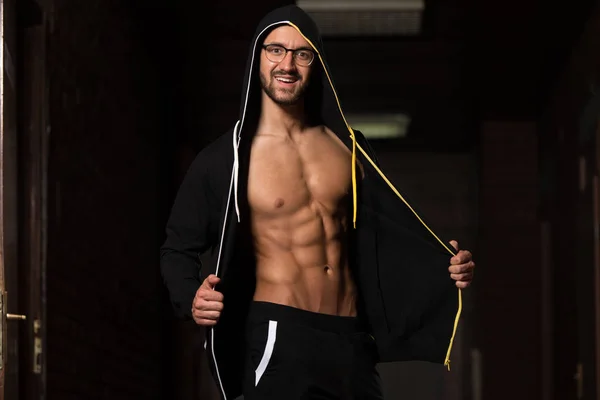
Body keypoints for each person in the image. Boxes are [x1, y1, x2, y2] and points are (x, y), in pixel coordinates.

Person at [160, 5, 475, 400]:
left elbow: (385, 237)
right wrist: (190, 295)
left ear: (317, 63)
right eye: (275, 50)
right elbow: (177, 248)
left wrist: (444, 267)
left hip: (351, 340)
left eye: (301, 53)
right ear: (257, 57)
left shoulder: (349, 149)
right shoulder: (227, 158)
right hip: (280, 332)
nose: (287, 64)